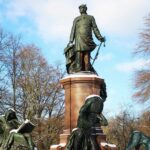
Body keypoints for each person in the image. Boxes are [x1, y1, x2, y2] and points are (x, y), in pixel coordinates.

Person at [66, 4, 105, 73]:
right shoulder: (76, 19)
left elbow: (95, 28)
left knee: (87, 53)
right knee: (79, 52)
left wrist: (99, 37)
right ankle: (78, 69)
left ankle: (87, 69)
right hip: (78, 38)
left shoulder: (90, 18)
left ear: (85, 9)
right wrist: (71, 40)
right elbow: (73, 29)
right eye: (80, 8)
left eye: (82, 8)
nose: (81, 10)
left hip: (87, 38)